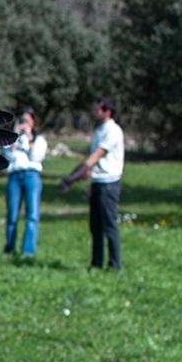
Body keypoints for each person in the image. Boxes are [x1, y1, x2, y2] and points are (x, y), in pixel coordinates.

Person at [60, 98, 125, 270]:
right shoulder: (99, 131)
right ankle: (96, 264)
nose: (94, 113)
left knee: (109, 226)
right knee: (95, 227)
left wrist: (71, 179)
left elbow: (95, 157)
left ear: (107, 112)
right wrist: (75, 175)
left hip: (109, 184)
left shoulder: (113, 131)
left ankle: (114, 265)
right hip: (97, 182)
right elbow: (89, 164)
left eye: (97, 110)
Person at [3, 107, 47, 258]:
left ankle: (28, 252)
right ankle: (9, 248)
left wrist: (29, 137)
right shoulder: (13, 138)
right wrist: (14, 136)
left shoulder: (39, 140)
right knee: (12, 215)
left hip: (31, 176)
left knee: (32, 215)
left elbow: (36, 157)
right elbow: (7, 156)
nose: (24, 124)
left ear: (34, 123)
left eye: (27, 121)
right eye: (22, 120)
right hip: (14, 176)